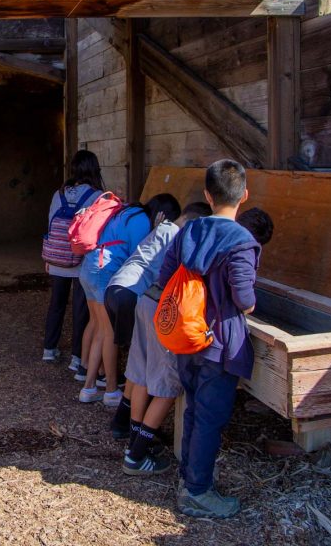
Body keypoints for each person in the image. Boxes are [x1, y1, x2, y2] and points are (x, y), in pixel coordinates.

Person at [156, 159, 261, 519]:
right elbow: (244, 298)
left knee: (193, 409)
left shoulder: (190, 230)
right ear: (244, 195)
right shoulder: (241, 241)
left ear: (207, 195)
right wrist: (246, 306)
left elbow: (165, 274)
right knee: (209, 419)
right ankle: (198, 492)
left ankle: (189, 478)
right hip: (219, 342)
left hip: (187, 337)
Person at [113, 201, 212, 475]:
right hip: (166, 311)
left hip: (146, 300)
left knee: (141, 374)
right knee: (169, 386)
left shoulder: (168, 231)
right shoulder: (194, 239)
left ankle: (134, 440)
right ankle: (136, 456)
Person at [77, 193, 179, 406]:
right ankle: (112, 390)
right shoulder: (142, 220)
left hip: (90, 267)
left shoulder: (127, 211)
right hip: (106, 272)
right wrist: (157, 230)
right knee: (109, 334)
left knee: (99, 328)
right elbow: (140, 254)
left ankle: (88, 386)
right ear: (162, 215)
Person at [42, 149, 103, 369]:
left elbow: (50, 224)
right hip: (81, 261)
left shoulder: (58, 194)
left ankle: (49, 349)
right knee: (81, 308)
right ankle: (77, 357)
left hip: (58, 259)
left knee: (56, 303)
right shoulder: (96, 197)